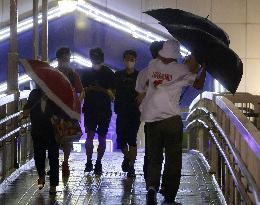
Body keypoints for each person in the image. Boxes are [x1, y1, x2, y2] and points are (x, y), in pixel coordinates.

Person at [136, 40, 206, 205]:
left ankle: (152, 188)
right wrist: (204, 66)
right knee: (173, 159)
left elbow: (138, 97)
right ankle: (169, 198)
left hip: (152, 121)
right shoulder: (180, 70)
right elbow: (199, 84)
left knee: (154, 157)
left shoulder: (147, 70)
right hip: (172, 121)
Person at [81, 47, 116, 175]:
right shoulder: (107, 73)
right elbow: (83, 91)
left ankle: (94, 162)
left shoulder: (104, 73)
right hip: (97, 109)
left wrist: (98, 89)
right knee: (96, 137)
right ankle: (93, 162)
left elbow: (113, 95)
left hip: (98, 109)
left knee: (94, 137)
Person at [136, 41, 164, 187]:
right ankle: (158, 183)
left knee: (151, 149)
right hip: (167, 117)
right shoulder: (172, 73)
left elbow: (139, 98)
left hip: (150, 117)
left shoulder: (144, 73)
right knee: (161, 152)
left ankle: (150, 183)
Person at [22, 88, 59, 195]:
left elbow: (60, 111)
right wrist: (26, 110)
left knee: (53, 157)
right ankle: (41, 176)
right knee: (39, 156)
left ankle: (53, 186)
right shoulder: (34, 93)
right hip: (38, 130)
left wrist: (55, 117)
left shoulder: (55, 94)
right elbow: (27, 108)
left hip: (52, 131)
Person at [55, 47, 85, 177]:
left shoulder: (73, 74)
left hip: (67, 112)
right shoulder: (54, 73)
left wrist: (77, 102)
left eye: (67, 56)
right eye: (63, 57)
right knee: (55, 138)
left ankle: (65, 163)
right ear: (59, 58)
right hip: (56, 111)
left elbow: (81, 90)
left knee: (67, 139)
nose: (65, 59)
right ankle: (56, 162)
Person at [114, 50, 140, 177]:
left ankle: (131, 167)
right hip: (121, 111)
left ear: (135, 60)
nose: (130, 61)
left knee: (132, 139)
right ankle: (128, 158)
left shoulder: (139, 75)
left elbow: (144, 91)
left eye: (132, 59)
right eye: (127, 58)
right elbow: (112, 90)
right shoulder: (118, 75)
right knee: (121, 140)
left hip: (135, 112)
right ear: (124, 60)